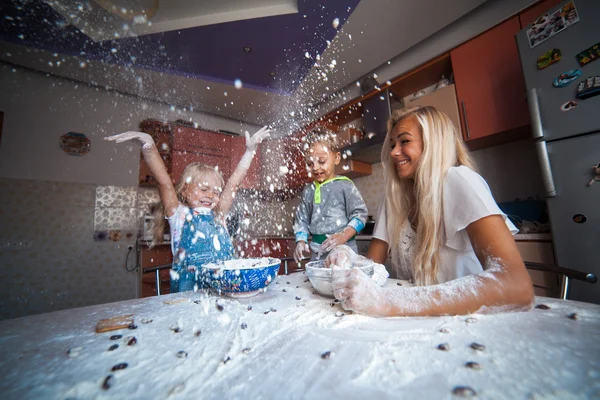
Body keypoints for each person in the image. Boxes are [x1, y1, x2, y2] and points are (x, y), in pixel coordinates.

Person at [326, 106, 534, 317]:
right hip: (421, 326)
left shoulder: (459, 180)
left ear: (434, 142)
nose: (393, 152)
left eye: (404, 141)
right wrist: (349, 258)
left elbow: (515, 285)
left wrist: (388, 301)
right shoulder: (393, 200)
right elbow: (373, 266)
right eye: (392, 144)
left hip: (470, 323)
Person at [105, 126, 271, 293]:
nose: (210, 195)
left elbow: (233, 183)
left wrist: (250, 151)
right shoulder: (179, 214)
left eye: (216, 191)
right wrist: (149, 147)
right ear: (184, 189)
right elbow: (163, 181)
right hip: (189, 291)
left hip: (226, 288)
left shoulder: (219, 214)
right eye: (204, 189)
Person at [293, 128, 368, 263]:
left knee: (343, 281)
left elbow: (360, 214)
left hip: (344, 249)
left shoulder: (345, 185)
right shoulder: (308, 190)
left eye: (321, 161)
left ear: (337, 158)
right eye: (310, 163)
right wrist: (301, 241)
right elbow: (301, 220)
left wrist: (344, 236)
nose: (315, 167)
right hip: (317, 252)